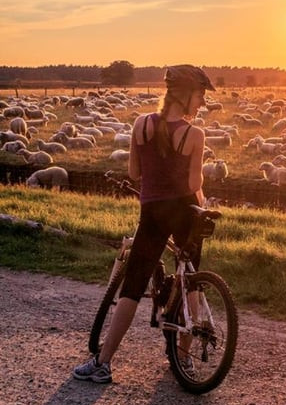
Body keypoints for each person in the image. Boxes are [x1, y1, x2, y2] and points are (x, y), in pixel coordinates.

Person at [73, 64, 213, 383]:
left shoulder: (141, 125)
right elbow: (194, 183)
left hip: (152, 213)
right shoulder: (195, 134)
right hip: (187, 212)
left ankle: (103, 362)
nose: (202, 101)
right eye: (200, 95)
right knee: (190, 280)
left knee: (132, 287)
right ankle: (183, 358)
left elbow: (135, 174)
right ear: (184, 95)